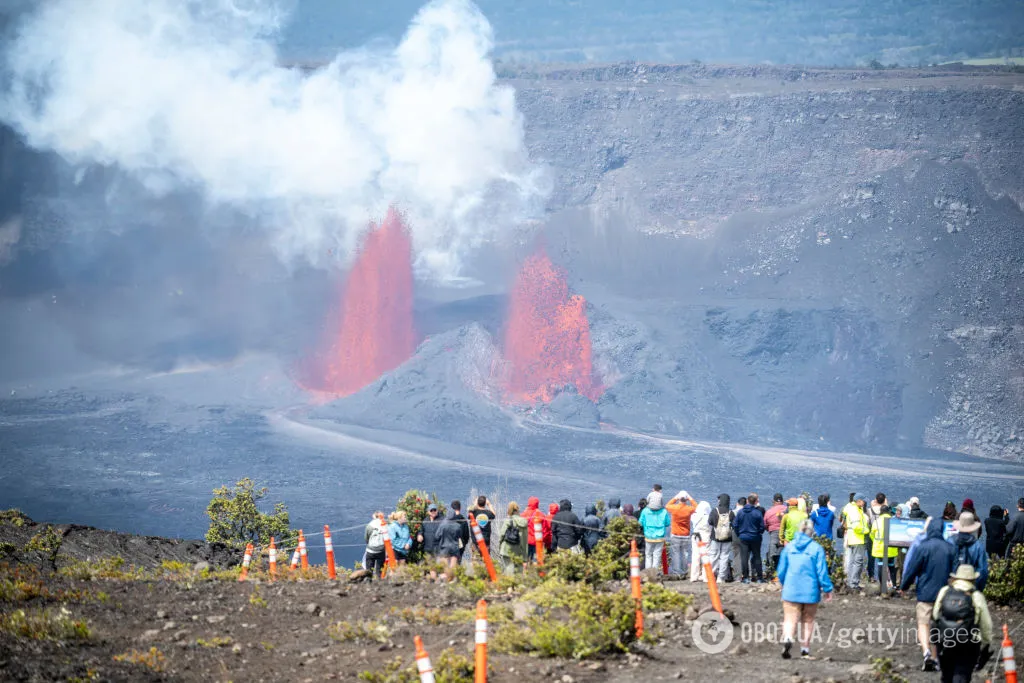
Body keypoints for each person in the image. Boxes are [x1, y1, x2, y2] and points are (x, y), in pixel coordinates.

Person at [899, 517, 956, 672]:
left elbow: (913, 569)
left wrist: (904, 586)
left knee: (923, 623)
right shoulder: (950, 548)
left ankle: (926, 652)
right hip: (944, 593)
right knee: (937, 625)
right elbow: (955, 572)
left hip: (925, 591)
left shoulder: (922, 547)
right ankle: (935, 657)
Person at [776, 519, 834, 659]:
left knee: (790, 618)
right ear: (812, 532)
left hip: (791, 588)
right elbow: (822, 572)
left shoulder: (789, 548)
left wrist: (784, 583)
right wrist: (827, 589)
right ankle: (805, 651)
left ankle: (788, 638)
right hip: (811, 590)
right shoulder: (816, 549)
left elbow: (781, 571)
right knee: (808, 620)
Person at [932, 564, 995, 683]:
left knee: (946, 675)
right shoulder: (976, 596)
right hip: (968, 643)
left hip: (945, 640)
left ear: (956, 578)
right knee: (962, 674)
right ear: (973, 580)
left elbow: (935, 615)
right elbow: (986, 624)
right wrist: (985, 644)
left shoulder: (945, 591)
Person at [949, 512, 988, 590]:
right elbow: (983, 571)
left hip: (952, 586)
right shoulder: (978, 546)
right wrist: (977, 589)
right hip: (970, 587)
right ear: (973, 528)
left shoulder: (949, 542)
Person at [734, 493, 766, 583]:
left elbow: (735, 525)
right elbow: (762, 526)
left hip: (743, 537)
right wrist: (759, 532)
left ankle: (745, 577)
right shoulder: (757, 513)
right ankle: (759, 577)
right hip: (755, 537)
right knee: (757, 557)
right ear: (756, 502)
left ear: (747, 501)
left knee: (744, 557)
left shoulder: (740, 512)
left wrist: (739, 533)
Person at [840, 494, 870, 591]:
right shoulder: (854, 510)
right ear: (859, 501)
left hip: (853, 538)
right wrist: (866, 530)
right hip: (858, 539)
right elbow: (857, 526)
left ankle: (850, 582)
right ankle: (853, 584)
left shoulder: (852, 508)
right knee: (858, 562)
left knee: (853, 561)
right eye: (863, 501)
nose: (864, 503)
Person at [665, 491, 696, 577]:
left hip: (675, 534)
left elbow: (667, 505)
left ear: (679, 499)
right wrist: (690, 498)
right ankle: (684, 571)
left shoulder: (674, 508)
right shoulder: (689, 509)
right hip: (685, 534)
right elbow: (697, 507)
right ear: (686, 500)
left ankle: (677, 572)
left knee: (675, 554)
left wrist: (675, 497)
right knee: (685, 554)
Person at [639, 490, 670, 571]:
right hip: (659, 537)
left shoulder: (645, 510)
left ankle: (648, 573)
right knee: (656, 556)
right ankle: (655, 574)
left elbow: (640, 523)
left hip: (648, 536)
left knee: (648, 555)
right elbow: (667, 523)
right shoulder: (664, 511)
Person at [707, 494, 734, 580]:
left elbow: (710, 522)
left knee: (713, 556)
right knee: (724, 557)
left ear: (720, 501)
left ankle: (711, 576)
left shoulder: (715, 511)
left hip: (715, 537)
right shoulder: (731, 512)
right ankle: (721, 577)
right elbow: (734, 524)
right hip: (727, 538)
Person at [869, 505, 898, 586]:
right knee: (891, 567)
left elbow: (872, 534)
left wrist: (875, 541)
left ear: (880, 512)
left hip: (879, 549)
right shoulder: (893, 520)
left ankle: (883, 585)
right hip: (891, 548)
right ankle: (894, 585)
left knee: (881, 566)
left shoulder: (876, 521)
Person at [498, 502, 529, 574]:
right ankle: (518, 584)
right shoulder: (524, 522)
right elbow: (525, 540)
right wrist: (525, 555)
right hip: (519, 550)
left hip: (507, 549)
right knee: (519, 572)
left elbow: (501, 535)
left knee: (509, 570)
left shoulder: (508, 521)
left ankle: (509, 585)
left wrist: (500, 547)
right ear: (518, 510)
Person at [436, 506, 466, 578]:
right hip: (454, 548)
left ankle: (444, 582)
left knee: (445, 568)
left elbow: (437, 536)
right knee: (452, 567)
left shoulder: (442, 525)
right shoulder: (458, 526)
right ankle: (451, 581)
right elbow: (459, 536)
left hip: (444, 548)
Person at [522, 497, 551, 563]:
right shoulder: (541, 515)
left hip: (526, 541)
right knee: (536, 561)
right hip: (537, 542)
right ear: (537, 504)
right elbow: (545, 530)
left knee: (525, 561)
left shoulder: (523, 515)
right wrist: (543, 539)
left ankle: (525, 572)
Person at [690, 500, 712, 582]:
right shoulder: (708, 517)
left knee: (695, 556)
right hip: (705, 536)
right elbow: (710, 527)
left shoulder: (694, 516)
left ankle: (693, 576)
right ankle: (705, 576)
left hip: (695, 536)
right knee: (705, 556)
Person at [765, 493, 787, 573]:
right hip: (785, 533)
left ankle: (772, 570)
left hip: (773, 533)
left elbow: (765, 523)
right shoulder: (786, 509)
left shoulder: (769, 511)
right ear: (783, 501)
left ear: (773, 501)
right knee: (784, 552)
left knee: (772, 552)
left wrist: (769, 529)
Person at [364, 511, 389, 579]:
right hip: (381, 550)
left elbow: (366, 538)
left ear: (374, 516)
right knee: (379, 571)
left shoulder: (370, 525)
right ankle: (379, 583)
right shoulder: (385, 525)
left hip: (371, 550)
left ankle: (368, 583)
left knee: (369, 570)